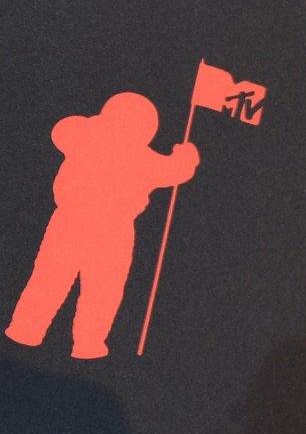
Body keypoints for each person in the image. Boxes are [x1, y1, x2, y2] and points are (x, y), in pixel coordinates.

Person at [7, 92, 198, 359]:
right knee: (89, 287)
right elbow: (176, 170)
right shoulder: (128, 152)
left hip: (89, 224)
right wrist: (186, 156)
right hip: (99, 227)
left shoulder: (90, 138)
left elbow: (62, 130)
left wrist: (184, 159)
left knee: (74, 283)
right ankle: (75, 340)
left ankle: (36, 332)